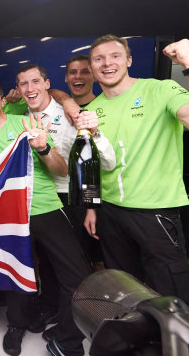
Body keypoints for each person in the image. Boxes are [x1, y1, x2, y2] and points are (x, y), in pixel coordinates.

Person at [0, 79, 92, 356]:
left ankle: (67, 337)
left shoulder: (25, 124)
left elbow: (62, 171)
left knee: (76, 275)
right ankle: (16, 325)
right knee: (16, 273)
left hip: (45, 207)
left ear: (3, 101)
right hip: (8, 216)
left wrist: (42, 148)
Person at [84, 35, 189, 311]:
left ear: (129, 60)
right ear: (92, 68)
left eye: (114, 56)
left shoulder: (159, 90)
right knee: (126, 292)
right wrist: (91, 208)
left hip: (156, 212)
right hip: (110, 213)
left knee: (170, 296)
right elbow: (92, 166)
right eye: (98, 58)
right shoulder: (91, 110)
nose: (107, 63)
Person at [14, 63, 115, 344]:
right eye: (24, 84)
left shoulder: (70, 115)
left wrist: (91, 206)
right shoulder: (22, 117)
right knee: (47, 262)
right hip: (40, 199)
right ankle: (52, 309)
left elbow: (91, 163)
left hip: (72, 199)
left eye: (36, 82)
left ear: (47, 84)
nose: (30, 89)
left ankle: (71, 331)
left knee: (73, 269)